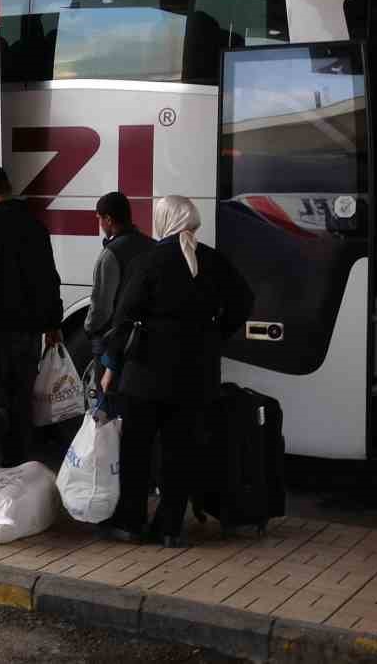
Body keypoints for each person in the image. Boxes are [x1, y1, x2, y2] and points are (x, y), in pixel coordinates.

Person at [98, 195, 253, 548]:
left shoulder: (148, 260)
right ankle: (169, 528)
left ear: (163, 219)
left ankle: (130, 523)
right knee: (179, 452)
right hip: (196, 374)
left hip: (146, 374)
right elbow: (244, 300)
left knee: (137, 450)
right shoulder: (213, 260)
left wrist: (111, 366)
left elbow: (124, 318)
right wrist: (215, 334)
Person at [0, 164, 63, 467]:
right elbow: (49, 278)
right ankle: (17, 465)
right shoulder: (35, 226)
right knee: (20, 401)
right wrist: (52, 323)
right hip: (28, 332)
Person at [84, 191, 154, 402]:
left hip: (112, 339)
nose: (99, 225)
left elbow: (102, 306)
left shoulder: (111, 254)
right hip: (144, 338)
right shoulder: (152, 245)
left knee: (107, 400)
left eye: (99, 219)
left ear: (108, 219)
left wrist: (90, 327)